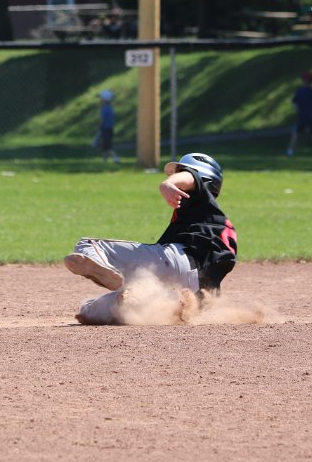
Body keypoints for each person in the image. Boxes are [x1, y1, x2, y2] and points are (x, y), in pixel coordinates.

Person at [64, 152, 237, 325]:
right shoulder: (220, 225)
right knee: (89, 308)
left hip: (175, 261)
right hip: (189, 292)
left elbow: (190, 176)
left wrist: (167, 184)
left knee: (87, 245)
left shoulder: (200, 196)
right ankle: (126, 303)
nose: (177, 175)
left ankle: (107, 271)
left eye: (181, 171)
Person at [286, 70, 312, 157]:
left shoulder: (300, 91)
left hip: (303, 116)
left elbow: (295, 102)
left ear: (304, 80)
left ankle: (290, 151)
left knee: (296, 132)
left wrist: (296, 110)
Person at [96, 89, 119, 163]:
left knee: (107, 146)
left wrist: (99, 126)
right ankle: (104, 160)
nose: (100, 100)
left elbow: (102, 120)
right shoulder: (109, 108)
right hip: (109, 129)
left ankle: (116, 158)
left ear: (105, 99)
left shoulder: (105, 108)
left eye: (101, 98)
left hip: (106, 129)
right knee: (105, 146)